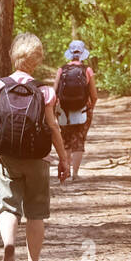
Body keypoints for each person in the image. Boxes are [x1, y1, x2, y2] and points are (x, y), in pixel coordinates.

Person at [0, 33, 70, 261]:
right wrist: (64, 158)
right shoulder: (44, 91)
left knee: (7, 208)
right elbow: (53, 127)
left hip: (5, 157)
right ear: (37, 60)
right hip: (38, 159)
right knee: (35, 213)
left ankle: (8, 246)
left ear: (13, 56)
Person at [55, 39, 98, 182]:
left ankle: (66, 171)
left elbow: (54, 92)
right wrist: (91, 107)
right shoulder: (87, 70)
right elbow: (94, 95)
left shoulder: (61, 70)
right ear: (82, 54)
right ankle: (75, 174)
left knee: (66, 140)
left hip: (64, 111)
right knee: (78, 141)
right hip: (82, 111)